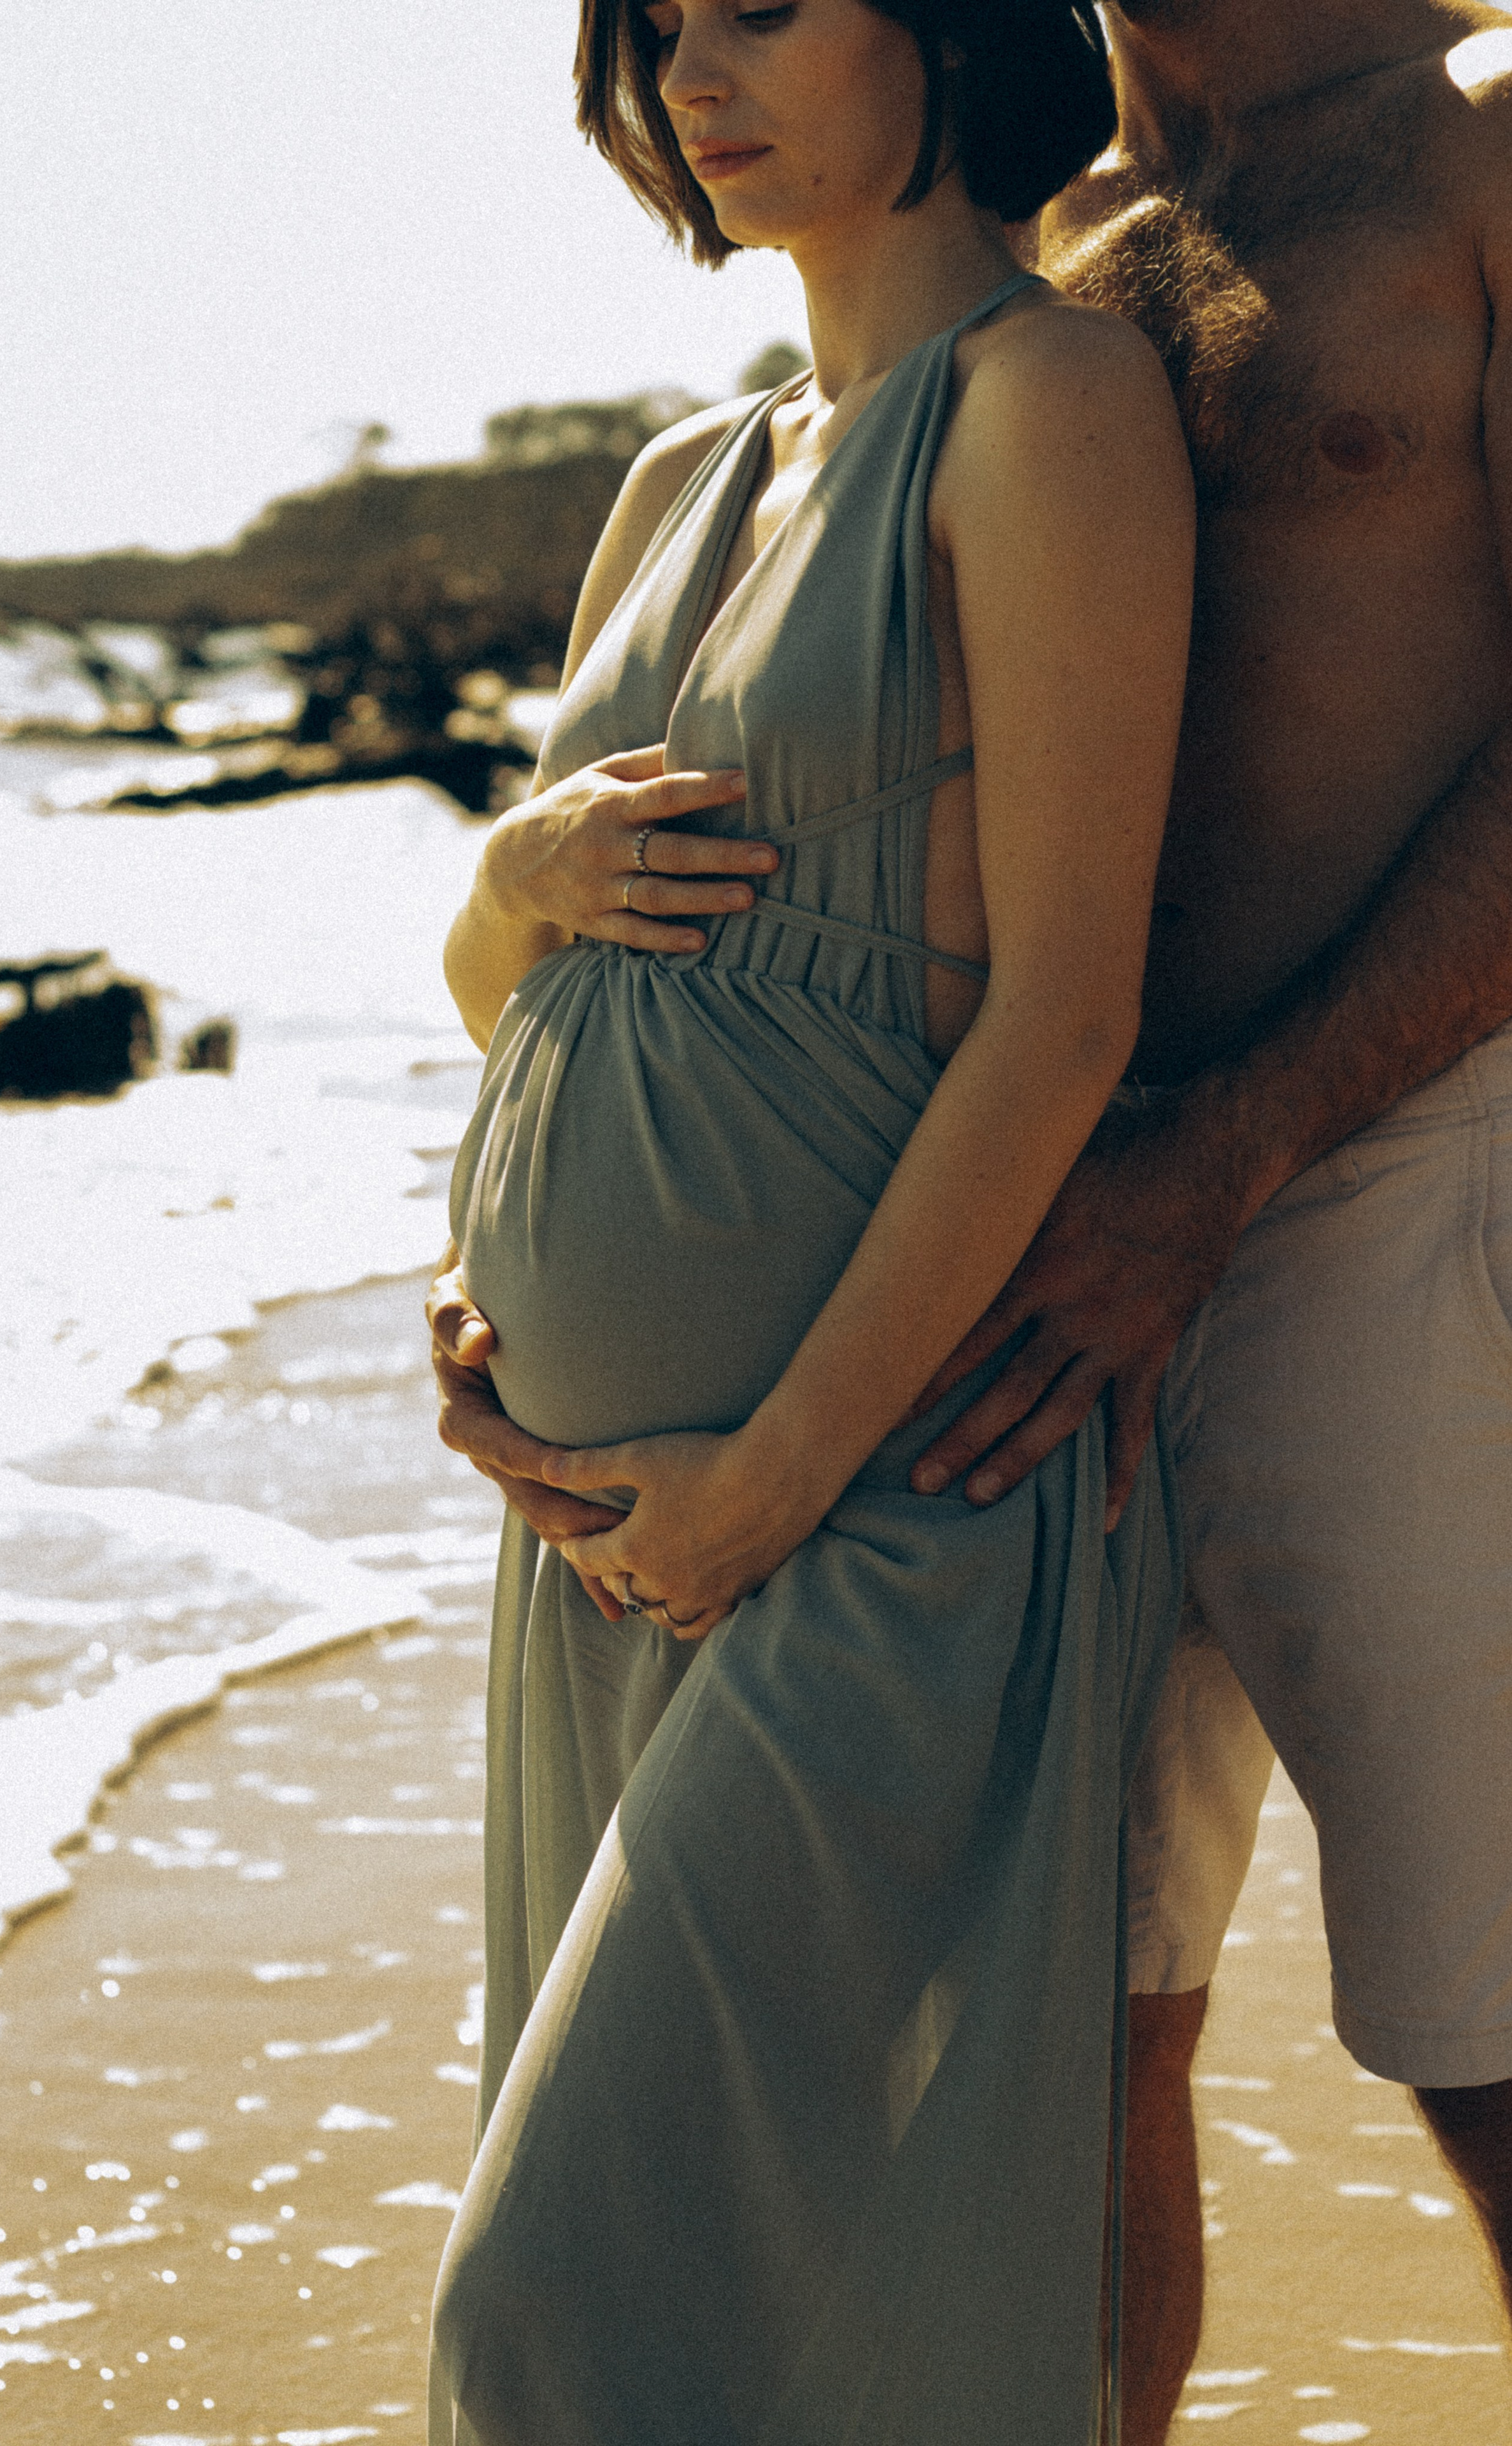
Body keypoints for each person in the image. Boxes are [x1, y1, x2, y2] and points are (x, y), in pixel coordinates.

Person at [436, 3, 1512, 2438]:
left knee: (1494, 2044)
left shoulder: (1475, 138)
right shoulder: (1065, 244)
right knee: (1054, 2082)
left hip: (1376, 1185)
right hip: (1017, 1279)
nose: (697, 69)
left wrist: (1221, 1158)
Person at [425, 1, 1195, 2438]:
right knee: (710, 2318)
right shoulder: (685, 477)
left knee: (555, 2311)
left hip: (873, 1492)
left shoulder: (1045, 406)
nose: (691, 75)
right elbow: (518, 995)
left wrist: (773, 1479)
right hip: (605, 1534)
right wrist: (509, 891)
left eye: (764, 5)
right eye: (659, 25)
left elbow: (1065, 1018)